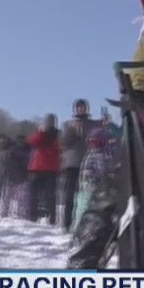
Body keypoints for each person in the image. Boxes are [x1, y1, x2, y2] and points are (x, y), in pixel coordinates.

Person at [67, 115, 125, 269]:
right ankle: (78, 235)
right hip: (88, 189)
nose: (92, 144)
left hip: (98, 188)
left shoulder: (107, 154)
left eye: (95, 141)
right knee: (82, 211)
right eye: (90, 141)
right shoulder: (89, 154)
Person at [60, 99, 94, 231]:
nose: (80, 109)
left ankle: (83, 223)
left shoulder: (92, 124)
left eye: (83, 107)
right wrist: (70, 132)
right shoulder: (68, 124)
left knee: (86, 194)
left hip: (88, 162)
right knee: (69, 195)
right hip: (72, 162)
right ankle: (66, 223)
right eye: (78, 107)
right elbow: (64, 142)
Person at [26, 114, 61, 224]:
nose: (48, 124)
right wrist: (40, 132)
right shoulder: (39, 134)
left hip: (51, 168)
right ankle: (32, 216)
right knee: (33, 194)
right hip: (36, 167)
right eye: (46, 121)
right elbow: (31, 141)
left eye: (50, 121)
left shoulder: (57, 135)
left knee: (50, 195)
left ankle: (52, 218)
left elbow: (58, 148)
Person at [0, 135, 30, 218]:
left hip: (14, 176)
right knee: (20, 197)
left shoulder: (11, 150)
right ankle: (20, 214)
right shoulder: (24, 150)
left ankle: (5, 213)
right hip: (19, 176)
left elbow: (5, 165)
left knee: (9, 196)